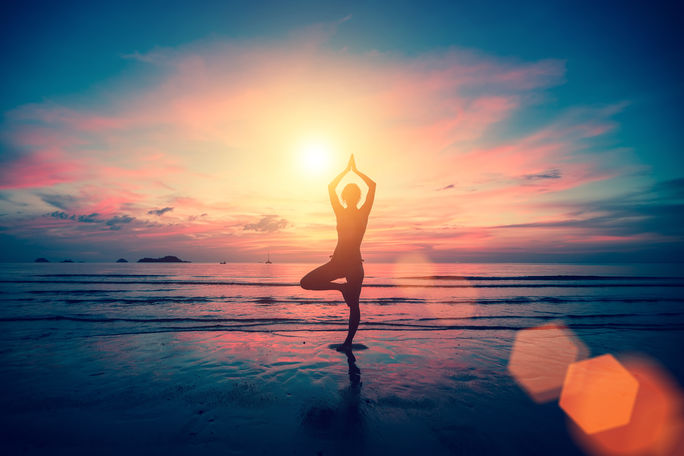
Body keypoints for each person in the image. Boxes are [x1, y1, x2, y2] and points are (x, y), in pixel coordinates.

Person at [300, 154, 376, 351]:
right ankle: (341, 289)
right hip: (341, 263)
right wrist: (352, 171)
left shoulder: (359, 213)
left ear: (354, 197)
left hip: (350, 264)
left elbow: (334, 187)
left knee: (354, 306)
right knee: (306, 282)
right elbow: (334, 188)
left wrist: (350, 171)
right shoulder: (347, 212)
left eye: (352, 194)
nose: (350, 197)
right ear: (347, 197)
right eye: (349, 194)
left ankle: (348, 343)